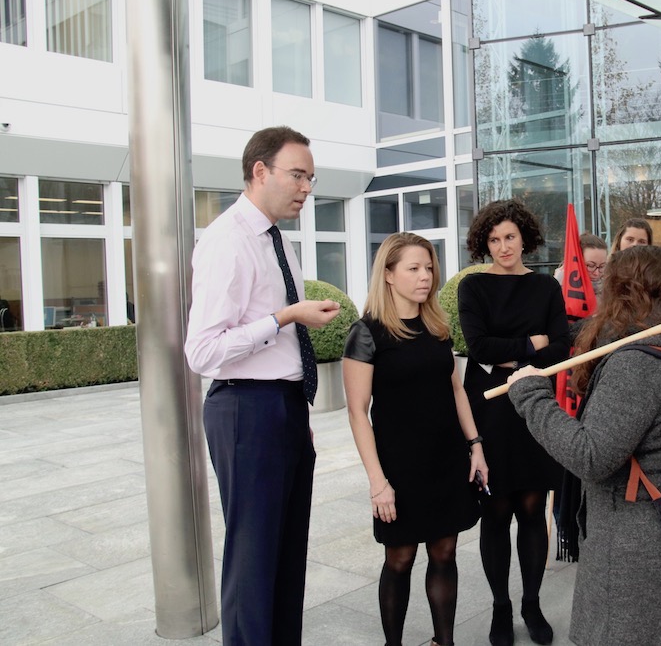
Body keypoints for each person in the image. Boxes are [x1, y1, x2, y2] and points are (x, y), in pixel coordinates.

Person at [505, 245, 661, 645]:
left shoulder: (638, 365)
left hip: (642, 563)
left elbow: (591, 456)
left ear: (622, 292)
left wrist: (530, 396)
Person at [184, 126, 341, 645]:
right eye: (297, 175)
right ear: (259, 172)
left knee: (286, 555)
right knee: (253, 560)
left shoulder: (276, 239)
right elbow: (202, 351)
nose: (305, 188)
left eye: (310, 178)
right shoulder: (226, 241)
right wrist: (283, 317)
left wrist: (297, 412)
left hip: (282, 408)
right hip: (246, 410)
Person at [342, 233, 487, 646]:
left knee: (444, 553)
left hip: (446, 459)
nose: (426, 277)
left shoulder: (437, 327)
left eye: (429, 268)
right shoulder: (366, 333)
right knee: (400, 558)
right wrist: (377, 482)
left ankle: (446, 642)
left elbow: (456, 390)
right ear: (388, 275)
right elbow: (357, 412)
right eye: (414, 268)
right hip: (399, 465)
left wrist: (475, 446)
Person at [458, 199, 570, 646]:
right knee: (496, 510)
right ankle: (501, 608)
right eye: (493, 239)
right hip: (489, 410)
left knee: (531, 508)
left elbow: (560, 349)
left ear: (524, 236)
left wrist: (516, 352)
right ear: (484, 244)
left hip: (535, 407)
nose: (503, 246)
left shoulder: (545, 287)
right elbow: (479, 347)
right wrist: (532, 343)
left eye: (509, 237)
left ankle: (532, 603)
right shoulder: (474, 287)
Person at [552, 233, 608, 300]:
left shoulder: (611, 290)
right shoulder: (559, 285)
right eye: (591, 266)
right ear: (576, 262)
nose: (597, 273)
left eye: (602, 266)